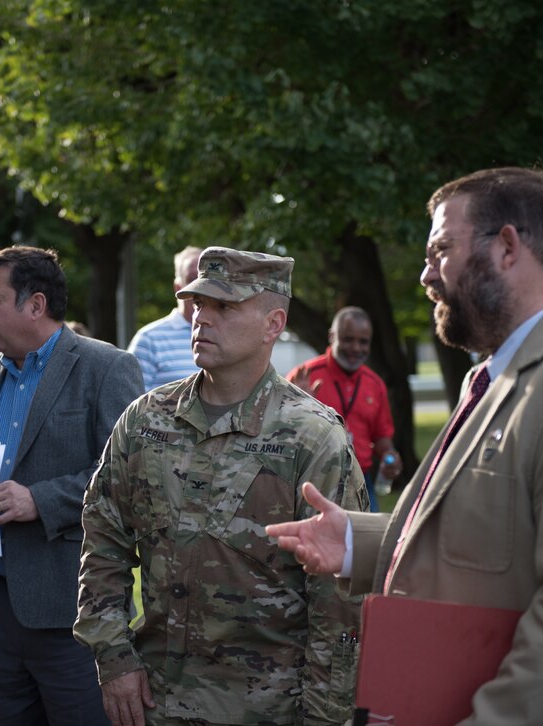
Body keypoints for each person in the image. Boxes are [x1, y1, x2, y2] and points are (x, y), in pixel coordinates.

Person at [266, 168, 543, 725]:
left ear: (508, 247)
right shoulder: (501, 376)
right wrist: (355, 541)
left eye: (440, 250)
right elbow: (496, 538)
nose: (425, 275)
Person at [75, 247, 367, 726]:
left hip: (268, 708)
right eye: (199, 304)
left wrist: (324, 716)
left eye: (224, 307)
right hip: (156, 701)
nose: (201, 317)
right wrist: (114, 658)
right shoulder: (146, 420)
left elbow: (338, 601)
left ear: (274, 324)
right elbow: (103, 538)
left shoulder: (311, 437)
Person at [0, 245, 143, 725]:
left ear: (35, 305)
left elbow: (126, 472)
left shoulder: (105, 367)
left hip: (70, 607)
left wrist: (41, 499)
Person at [287, 306, 401, 512]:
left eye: (363, 341)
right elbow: (280, 434)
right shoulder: (304, 376)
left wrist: (389, 455)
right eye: (348, 339)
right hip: (313, 481)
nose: (356, 348)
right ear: (332, 336)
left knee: (364, 542)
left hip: (361, 483)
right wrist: (301, 408)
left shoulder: (375, 384)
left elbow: (382, 436)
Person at [127, 245, 202, 392]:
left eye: (205, 279)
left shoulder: (225, 334)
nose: (200, 287)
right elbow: (131, 400)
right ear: (178, 288)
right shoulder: (149, 340)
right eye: (192, 279)